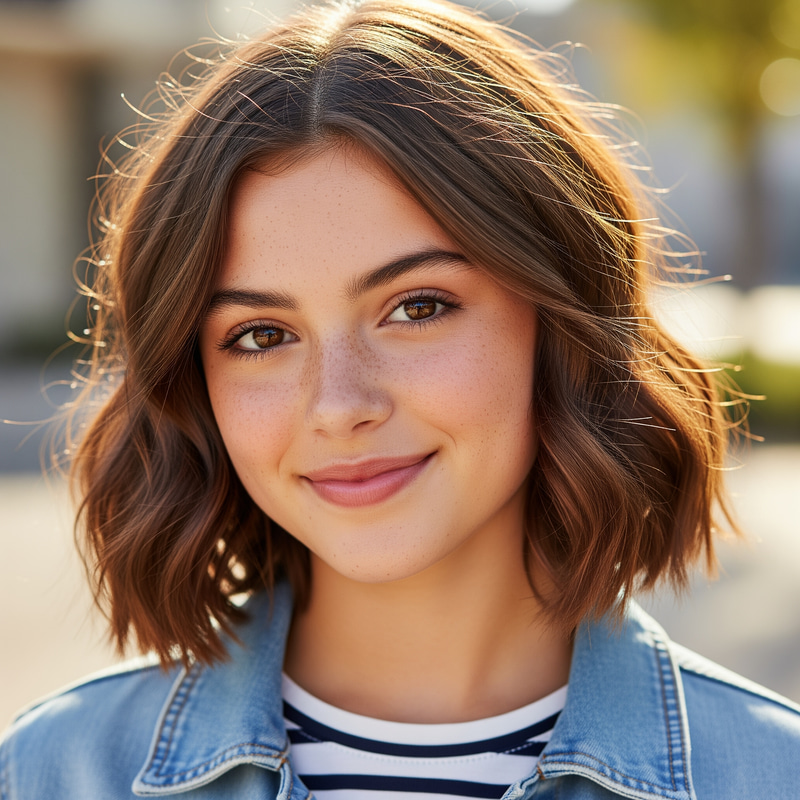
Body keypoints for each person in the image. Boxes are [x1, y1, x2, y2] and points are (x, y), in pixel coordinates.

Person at [2, 0, 798, 797]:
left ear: (559, 318)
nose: (338, 406)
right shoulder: (56, 773)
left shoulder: (768, 775)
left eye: (417, 307)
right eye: (260, 335)